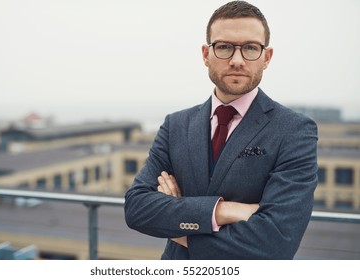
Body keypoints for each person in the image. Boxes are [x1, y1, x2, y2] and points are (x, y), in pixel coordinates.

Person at [124, 0, 318, 260]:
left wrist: (175, 223)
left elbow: (275, 242)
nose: (237, 61)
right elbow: (137, 209)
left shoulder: (294, 131)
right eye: (224, 47)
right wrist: (222, 211)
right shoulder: (176, 125)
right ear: (206, 54)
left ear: (266, 57)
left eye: (250, 48)